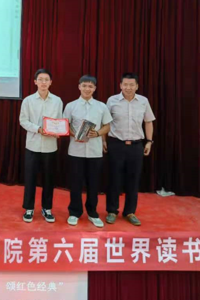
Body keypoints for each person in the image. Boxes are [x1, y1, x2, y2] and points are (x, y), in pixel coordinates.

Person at [105, 73, 156, 226]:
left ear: (137, 86)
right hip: (116, 144)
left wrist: (149, 142)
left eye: (131, 85)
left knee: (133, 180)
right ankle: (112, 211)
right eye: (125, 84)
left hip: (136, 146)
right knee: (114, 178)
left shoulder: (143, 101)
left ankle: (130, 212)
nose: (128, 87)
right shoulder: (112, 100)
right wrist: (103, 141)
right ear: (120, 85)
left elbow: (148, 122)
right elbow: (105, 122)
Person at [63, 76, 112, 228]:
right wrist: (75, 134)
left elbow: (107, 126)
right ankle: (74, 212)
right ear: (79, 87)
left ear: (94, 88)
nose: (87, 89)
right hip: (75, 150)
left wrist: (97, 133)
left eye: (90, 86)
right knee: (75, 183)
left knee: (93, 184)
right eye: (84, 85)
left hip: (95, 151)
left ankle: (92, 213)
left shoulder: (101, 106)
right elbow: (65, 124)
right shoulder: (71, 106)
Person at [19, 69, 63, 223]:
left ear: (51, 82)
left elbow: (60, 120)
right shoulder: (28, 100)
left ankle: (47, 208)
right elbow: (23, 121)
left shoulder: (57, 101)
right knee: (30, 178)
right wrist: (38, 129)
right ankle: (29, 208)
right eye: (40, 79)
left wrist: (58, 130)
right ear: (35, 82)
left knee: (49, 179)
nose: (43, 82)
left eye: (46, 79)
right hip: (33, 144)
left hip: (50, 146)